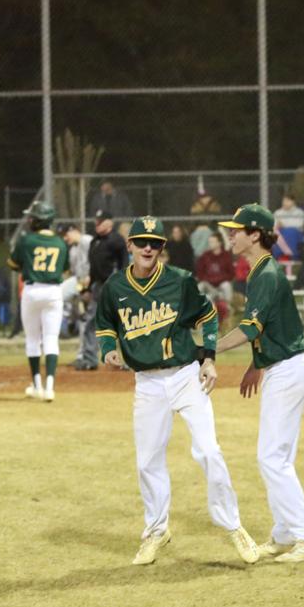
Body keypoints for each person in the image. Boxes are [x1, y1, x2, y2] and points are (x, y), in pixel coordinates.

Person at [95, 215, 260, 567]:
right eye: (142, 242)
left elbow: (208, 316)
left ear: (163, 248)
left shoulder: (180, 281)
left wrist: (210, 359)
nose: (149, 248)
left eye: (155, 243)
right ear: (129, 246)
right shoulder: (115, 287)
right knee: (148, 461)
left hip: (186, 375)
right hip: (147, 383)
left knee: (209, 451)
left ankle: (234, 526)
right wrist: (109, 348)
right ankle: (156, 530)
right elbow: (106, 323)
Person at [215, 204, 304, 563]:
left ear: (255, 235)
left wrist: (207, 346)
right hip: (282, 365)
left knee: (271, 458)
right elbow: (269, 329)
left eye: (236, 230)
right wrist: (256, 363)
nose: (230, 235)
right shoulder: (260, 271)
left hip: (289, 369)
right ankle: (284, 534)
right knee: (280, 457)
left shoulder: (266, 274)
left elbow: (250, 328)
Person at [8, 202, 69, 402]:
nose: (30, 220)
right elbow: (65, 270)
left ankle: (37, 385)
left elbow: (13, 263)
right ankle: (50, 387)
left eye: (32, 217)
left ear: (39, 220)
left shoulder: (27, 240)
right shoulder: (61, 243)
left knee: (33, 339)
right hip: (53, 291)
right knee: (51, 338)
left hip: (32, 291)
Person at [76, 210, 129, 370]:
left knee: (124, 323)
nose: (97, 224)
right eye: (96, 221)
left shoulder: (117, 241)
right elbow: (93, 268)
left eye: (101, 221)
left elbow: (124, 265)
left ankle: (129, 360)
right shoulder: (95, 241)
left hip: (114, 286)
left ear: (109, 223)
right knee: (92, 321)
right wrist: (88, 287)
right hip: (98, 287)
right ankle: (90, 360)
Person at [196, 231, 235, 318]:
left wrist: (219, 278)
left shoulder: (226, 255)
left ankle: (227, 306)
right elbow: (200, 273)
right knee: (199, 286)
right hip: (208, 284)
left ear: (219, 243)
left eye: (213, 242)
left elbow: (231, 273)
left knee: (226, 285)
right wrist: (208, 280)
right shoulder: (205, 256)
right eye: (209, 242)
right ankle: (198, 311)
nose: (210, 244)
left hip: (221, 283)